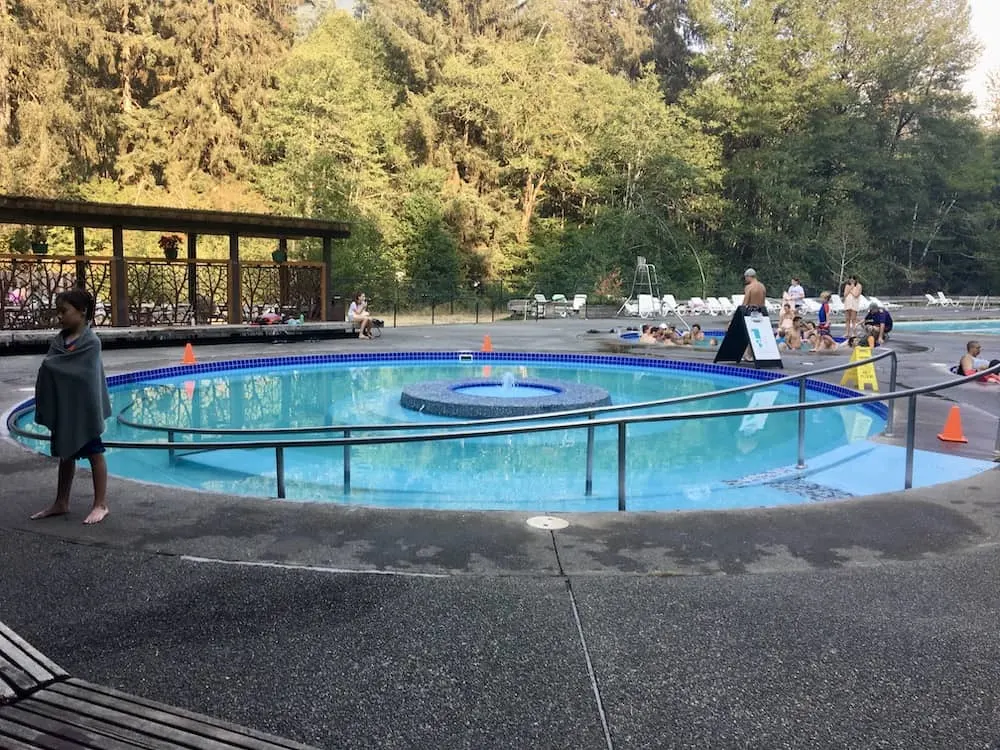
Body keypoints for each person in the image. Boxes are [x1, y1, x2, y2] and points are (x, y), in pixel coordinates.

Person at [30, 289, 112, 525]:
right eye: (58, 312)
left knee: (95, 454)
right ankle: (61, 501)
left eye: (64, 311)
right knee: (66, 454)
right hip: (66, 409)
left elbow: (84, 377)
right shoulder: (59, 341)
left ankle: (101, 504)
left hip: (84, 411)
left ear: (82, 312)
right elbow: (52, 367)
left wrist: (53, 368)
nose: (60, 316)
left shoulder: (91, 343)